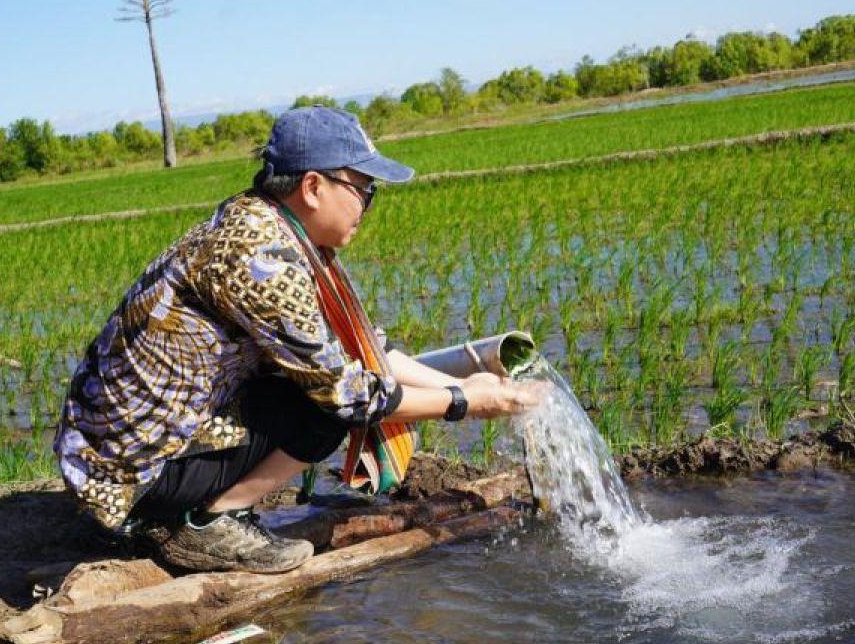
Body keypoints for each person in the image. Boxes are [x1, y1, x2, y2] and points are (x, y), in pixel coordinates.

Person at [53, 106, 541, 574]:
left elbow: (367, 349)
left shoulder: (271, 227)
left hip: (119, 450)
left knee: (323, 384)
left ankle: (194, 510)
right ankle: (207, 525)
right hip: (129, 473)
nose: (367, 206)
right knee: (325, 409)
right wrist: (462, 402)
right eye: (364, 190)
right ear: (313, 186)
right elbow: (350, 396)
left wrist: (480, 385)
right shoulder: (263, 259)